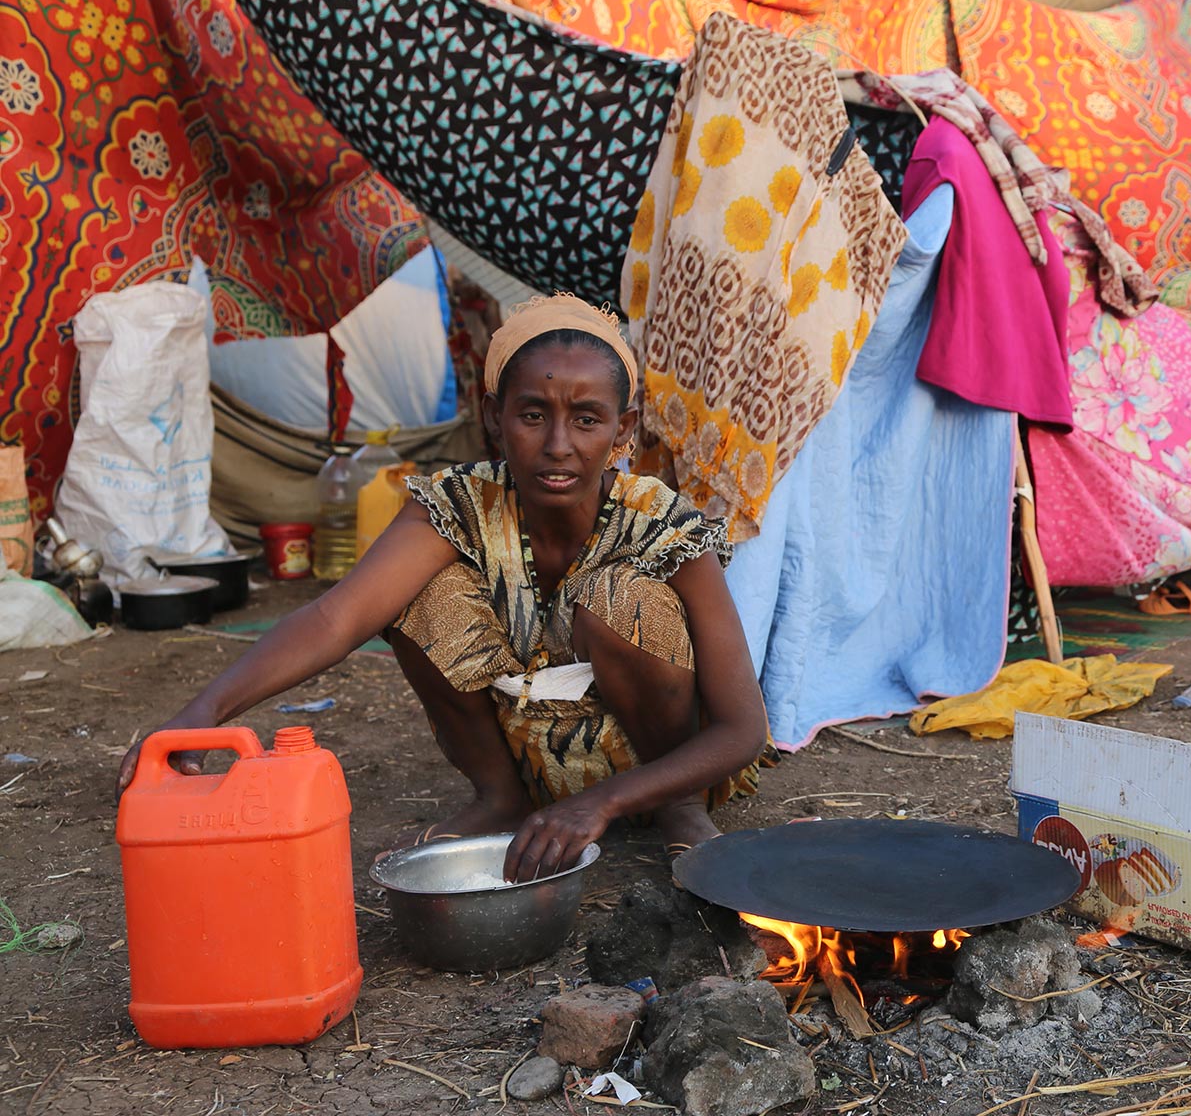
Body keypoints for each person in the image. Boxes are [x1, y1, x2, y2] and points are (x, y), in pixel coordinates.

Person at [117, 295, 772, 881]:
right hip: (536, 763)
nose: (559, 445)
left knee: (620, 600)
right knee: (419, 594)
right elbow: (335, 619)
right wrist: (200, 716)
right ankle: (500, 798)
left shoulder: (660, 522)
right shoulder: (459, 504)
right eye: (534, 415)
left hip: (660, 771)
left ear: (624, 433)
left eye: (588, 420)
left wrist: (603, 800)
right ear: (494, 417)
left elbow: (743, 728)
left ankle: (676, 811)